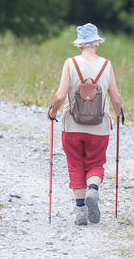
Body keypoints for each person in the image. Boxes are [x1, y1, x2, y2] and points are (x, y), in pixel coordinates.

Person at [48, 23, 123, 225]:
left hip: (72, 126)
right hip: (99, 128)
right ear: (97, 43)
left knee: (75, 165)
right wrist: (118, 114)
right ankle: (93, 189)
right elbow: (116, 99)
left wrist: (52, 112)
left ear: (80, 44)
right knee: (96, 163)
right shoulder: (107, 65)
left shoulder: (70, 63)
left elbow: (60, 95)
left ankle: (80, 211)